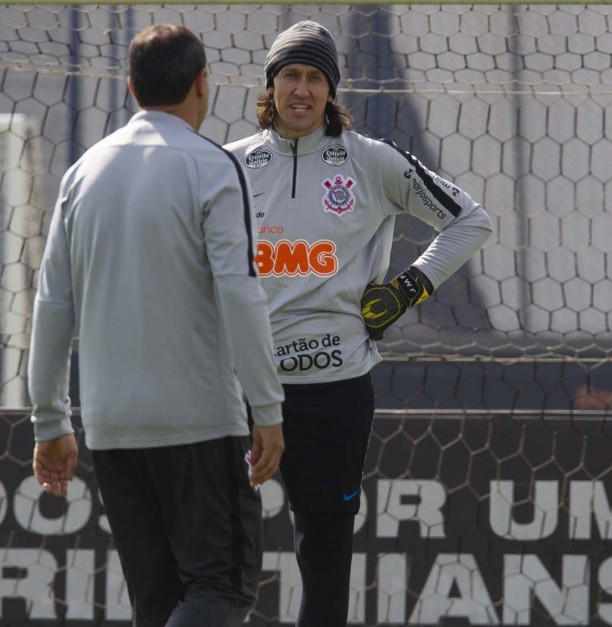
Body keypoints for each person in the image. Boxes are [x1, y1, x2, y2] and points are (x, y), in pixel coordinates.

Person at [224, 20, 492, 627]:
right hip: (237, 390)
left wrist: (407, 287)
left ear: (331, 89)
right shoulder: (229, 165)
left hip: (334, 389)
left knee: (323, 560)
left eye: (315, 77)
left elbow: (471, 221)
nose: (302, 89)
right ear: (269, 84)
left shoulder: (369, 160)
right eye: (290, 74)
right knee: (220, 559)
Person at [29, 24, 285, 627]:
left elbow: (52, 303)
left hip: (114, 428)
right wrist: (267, 408)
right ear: (203, 84)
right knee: (220, 590)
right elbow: (240, 293)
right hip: (197, 422)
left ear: (130, 87)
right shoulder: (212, 167)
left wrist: (49, 419)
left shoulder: (83, 173)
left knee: (160, 603)